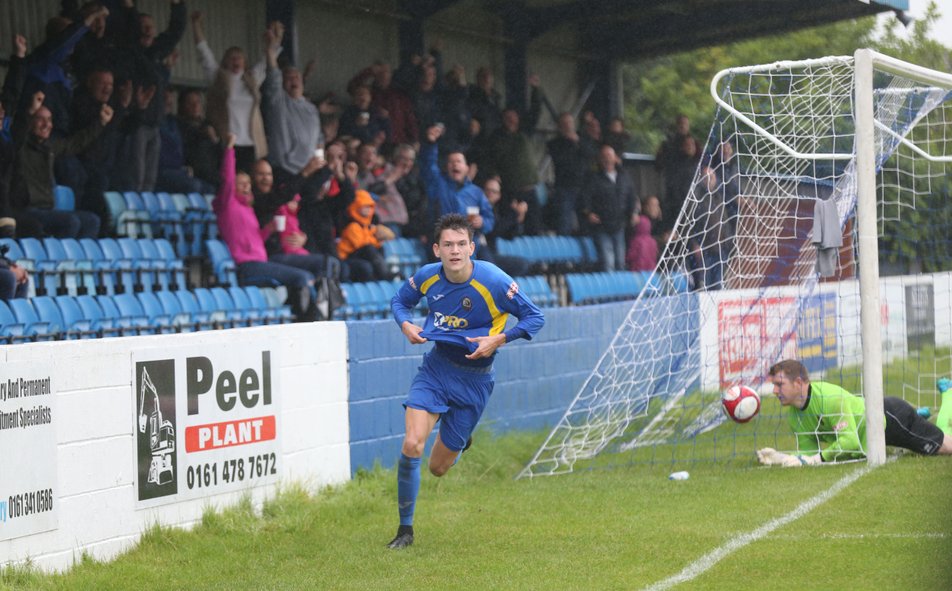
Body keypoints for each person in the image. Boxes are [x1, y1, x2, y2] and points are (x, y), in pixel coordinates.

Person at [386, 213, 545, 549]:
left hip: (475, 381)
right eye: (448, 245)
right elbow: (400, 301)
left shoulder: (494, 281)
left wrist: (498, 339)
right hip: (436, 370)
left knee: (438, 468)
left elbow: (535, 317)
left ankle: (461, 440)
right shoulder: (427, 278)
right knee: (412, 443)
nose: (454, 250)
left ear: (472, 248)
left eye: (461, 244)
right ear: (436, 250)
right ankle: (405, 531)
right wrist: (406, 325)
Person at [757, 359, 952, 467]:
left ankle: (948, 394)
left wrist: (815, 460)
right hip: (872, 430)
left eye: (779, 384)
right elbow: (810, 454)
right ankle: (920, 414)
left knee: (945, 446)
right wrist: (780, 457)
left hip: (891, 418)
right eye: (774, 385)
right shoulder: (794, 415)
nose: (774, 391)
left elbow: (849, 442)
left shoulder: (829, 399)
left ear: (799, 383)